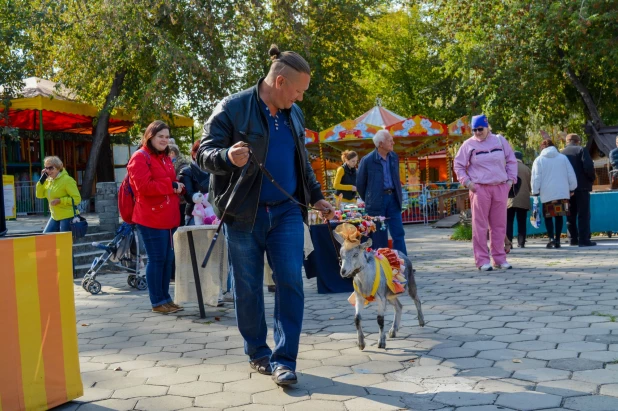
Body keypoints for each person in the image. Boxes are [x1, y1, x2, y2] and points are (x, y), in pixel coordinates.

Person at [198, 44, 334, 386]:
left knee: (291, 281)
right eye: (299, 91)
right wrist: (227, 157)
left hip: (287, 212)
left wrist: (316, 196)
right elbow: (202, 153)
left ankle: (285, 359)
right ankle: (258, 352)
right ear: (280, 81)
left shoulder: (294, 115)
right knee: (248, 288)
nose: (300, 99)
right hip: (244, 215)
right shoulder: (233, 107)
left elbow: (301, 162)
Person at [127, 120, 184, 314]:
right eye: (161, 136)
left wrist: (177, 184)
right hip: (150, 218)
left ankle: (166, 298)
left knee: (168, 259)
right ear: (150, 136)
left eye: (167, 137)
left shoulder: (165, 157)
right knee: (157, 259)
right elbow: (144, 187)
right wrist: (171, 186)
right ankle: (157, 302)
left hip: (168, 216)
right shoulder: (139, 157)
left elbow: (170, 179)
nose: (164, 140)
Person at [453, 114, 517, 271]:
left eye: (480, 129)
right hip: (480, 188)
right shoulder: (468, 145)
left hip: (500, 187)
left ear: (487, 127)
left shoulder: (500, 141)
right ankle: (482, 260)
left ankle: (499, 259)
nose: (477, 132)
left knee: (499, 225)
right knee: (479, 226)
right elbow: (458, 165)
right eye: (474, 130)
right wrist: (468, 183)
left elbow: (511, 160)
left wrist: (510, 180)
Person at [357, 129, 407, 255]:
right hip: (377, 202)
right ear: (380, 144)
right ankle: (382, 264)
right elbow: (360, 184)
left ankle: (403, 262)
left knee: (398, 232)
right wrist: (370, 199)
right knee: (379, 235)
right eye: (390, 141)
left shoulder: (394, 157)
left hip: (393, 199)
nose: (393, 143)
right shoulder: (367, 160)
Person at [531, 139, 577, 249]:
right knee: (559, 216)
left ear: (542, 148)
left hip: (547, 193)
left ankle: (551, 238)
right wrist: (572, 188)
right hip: (562, 192)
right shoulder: (563, 158)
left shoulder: (539, 160)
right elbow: (571, 174)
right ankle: (558, 240)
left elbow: (536, 177)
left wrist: (535, 191)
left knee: (548, 216)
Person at [561, 133, 597, 247]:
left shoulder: (561, 153)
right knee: (583, 214)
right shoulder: (581, 150)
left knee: (570, 214)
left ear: (567, 142)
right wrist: (591, 179)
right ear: (578, 141)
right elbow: (588, 167)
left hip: (567, 189)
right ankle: (584, 240)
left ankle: (572, 239)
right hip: (582, 187)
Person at [36, 156, 81, 233]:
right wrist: (42, 180)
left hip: (67, 216)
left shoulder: (67, 180)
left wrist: (60, 201)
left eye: (51, 168)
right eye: (46, 168)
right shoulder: (49, 181)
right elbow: (39, 195)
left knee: (63, 242)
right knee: (45, 239)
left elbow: (77, 199)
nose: (48, 171)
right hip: (55, 216)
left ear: (58, 168)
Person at [179, 140, 211, 226]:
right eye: (200, 152)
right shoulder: (187, 171)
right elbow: (188, 195)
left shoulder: (214, 171)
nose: (204, 155)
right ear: (193, 154)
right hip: (195, 214)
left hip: (213, 213)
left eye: (207, 151)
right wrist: (196, 196)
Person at [507, 151, 532, 248]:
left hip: (509, 198)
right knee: (522, 221)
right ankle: (521, 242)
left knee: (509, 221)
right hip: (523, 198)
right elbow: (530, 185)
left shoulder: (507, 167)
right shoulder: (526, 169)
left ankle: (509, 242)